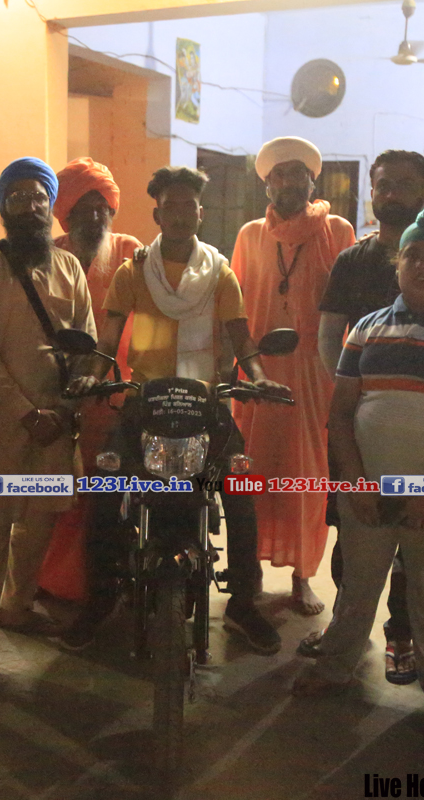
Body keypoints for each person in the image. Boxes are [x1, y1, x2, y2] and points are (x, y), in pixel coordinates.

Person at [291, 204, 424, 736]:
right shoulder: (366, 329)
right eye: (412, 254)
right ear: (398, 264)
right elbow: (342, 414)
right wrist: (355, 484)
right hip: (367, 487)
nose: (422, 265)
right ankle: (337, 668)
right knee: (356, 589)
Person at [62, 166, 292, 655]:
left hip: (206, 403)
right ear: (157, 214)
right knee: (103, 490)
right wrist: (94, 375)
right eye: (172, 206)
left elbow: (241, 338)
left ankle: (243, 604)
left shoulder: (220, 272)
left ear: (201, 213)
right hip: (143, 401)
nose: (181, 214)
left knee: (241, 491)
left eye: (190, 205)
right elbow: (108, 339)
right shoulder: (134, 271)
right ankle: (101, 598)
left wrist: (259, 376)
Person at [304, 150, 424, 685]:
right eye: (384, 185)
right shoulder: (352, 261)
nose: (392, 193)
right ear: (372, 192)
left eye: (405, 184)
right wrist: (354, 397)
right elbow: (329, 337)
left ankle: (405, 638)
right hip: (360, 435)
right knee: (354, 539)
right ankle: (347, 635)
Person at [0, 157, 96, 704]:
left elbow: (88, 341)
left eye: (39, 196)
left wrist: (69, 404)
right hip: (3, 431)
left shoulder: (70, 266)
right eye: (18, 196)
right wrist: (25, 412)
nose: (30, 205)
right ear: (4, 207)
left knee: (36, 531)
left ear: (50, 204)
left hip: (55, 429)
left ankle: (17, 608)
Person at [230, 137, 356, 615]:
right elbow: (234, 310)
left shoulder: (337, 231)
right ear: (267, 184)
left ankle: (303, 577)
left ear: (312, 181)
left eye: (297, 173)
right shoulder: (249, 236)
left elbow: (351, 306)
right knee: (253, 475)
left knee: (307, 480)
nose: (288, 182)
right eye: (278, 174)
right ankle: (251, 574)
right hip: (257, 372)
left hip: (315, 375)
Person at [38, 158, 142, 602]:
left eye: (103, 208)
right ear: (66, 215)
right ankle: (52, 580)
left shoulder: (130, 251)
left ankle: (105, 581)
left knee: (105, 489)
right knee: (62, 490)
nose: (96, 217)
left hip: (115, 391)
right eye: (84, 209)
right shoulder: (50, 254)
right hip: (60, 389)